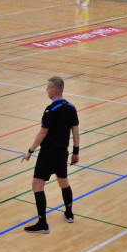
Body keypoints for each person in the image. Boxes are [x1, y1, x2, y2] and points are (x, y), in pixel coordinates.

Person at [22, 76, 80, 234]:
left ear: (54, 90)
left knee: (37, 185)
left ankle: (42, 224)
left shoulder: (50, 109)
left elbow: (42, 132)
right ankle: (69, 214)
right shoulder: (71, 107)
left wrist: (30, 151)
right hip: (62, 153)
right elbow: (75, 130)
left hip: (48, 154)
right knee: (64, 183)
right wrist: (76, 152)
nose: (46, 90)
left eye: (47, 88)